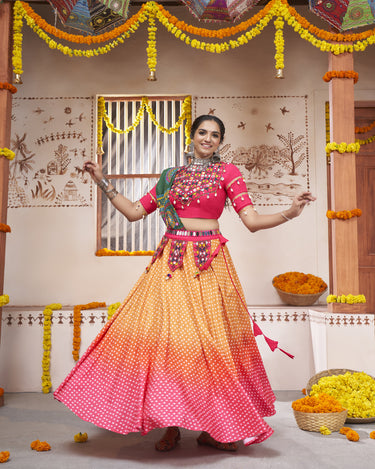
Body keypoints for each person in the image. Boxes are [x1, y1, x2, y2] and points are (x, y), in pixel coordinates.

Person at [54, 115, 316, 452]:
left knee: (210, 345)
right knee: (170, 344)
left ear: (221, 142)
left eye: (215, 135)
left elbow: (250, 221)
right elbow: (135, 212)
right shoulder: (170, 177)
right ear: (191, 136)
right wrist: (102, 182)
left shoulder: (228, 173)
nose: (208, 139)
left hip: (209, 264)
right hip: (172, 265)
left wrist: (289, 212)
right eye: (203, 133)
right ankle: (171, 426)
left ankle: (213, 428)